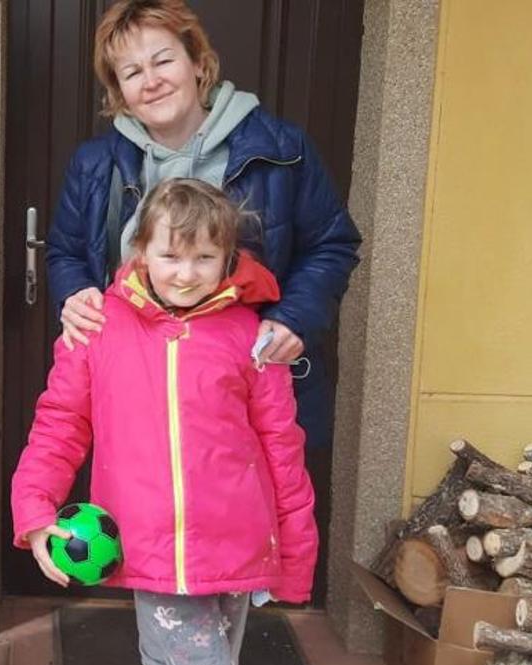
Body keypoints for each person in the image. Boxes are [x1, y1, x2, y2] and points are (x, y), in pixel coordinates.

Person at [11, 178, 318, 665]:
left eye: (205, 258)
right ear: (141, 250)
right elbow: (61, 422)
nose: (186, 273)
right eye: (171, 255)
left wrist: (293, 555)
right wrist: (35, 511)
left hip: (237, 545)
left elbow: (282, 449)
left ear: (229, 259)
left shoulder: (251, 336)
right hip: (152, 550)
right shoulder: (99, 326)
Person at [47, 0, 360, 455]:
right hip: (137, 397)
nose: (151, 81)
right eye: (131, 72)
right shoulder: (96, 164)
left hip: (251, 391)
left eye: (163, 60)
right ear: (119, 89)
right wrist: (74, 291)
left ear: (197, 60)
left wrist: (293, 319)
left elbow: (331, 244)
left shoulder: (280, 148)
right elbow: (67, 252)